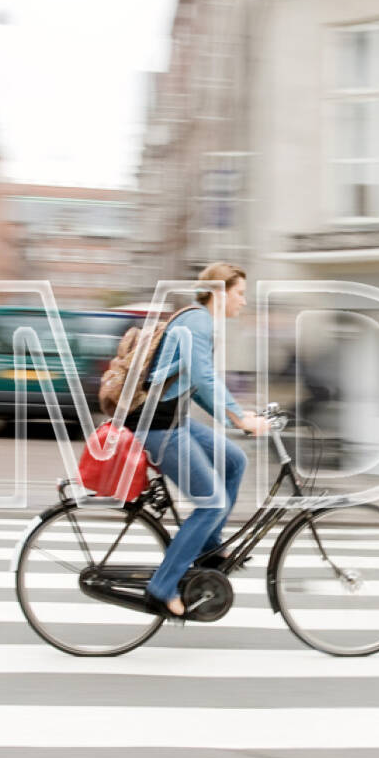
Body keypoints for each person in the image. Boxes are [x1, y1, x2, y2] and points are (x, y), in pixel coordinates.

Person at [139, 262, 270, 618]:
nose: (243, 301)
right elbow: (205, 378)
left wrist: (237, 417)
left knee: (234, 460)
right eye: (240, 293)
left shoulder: (197, 321)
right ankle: (162, 587)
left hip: (173, 420)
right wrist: (239, 417)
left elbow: (193, 386)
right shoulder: (198, 322)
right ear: (220, 292)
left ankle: (209, 547)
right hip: (158, 427)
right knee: (210, 504)